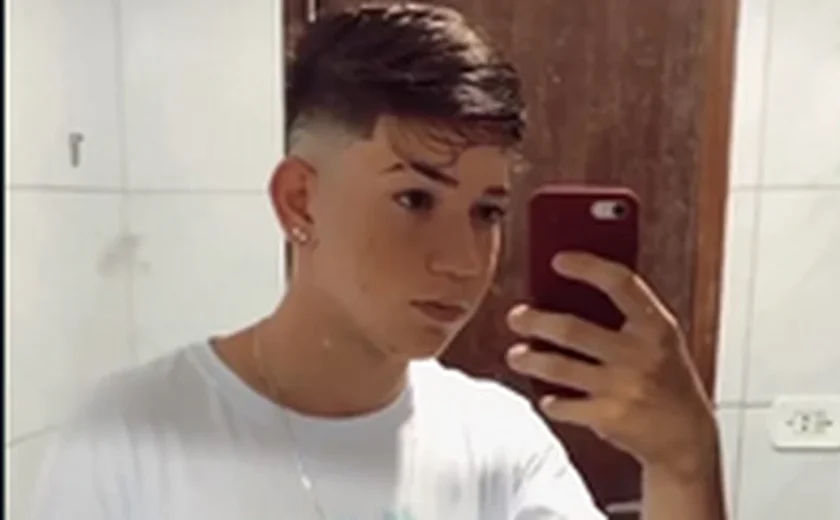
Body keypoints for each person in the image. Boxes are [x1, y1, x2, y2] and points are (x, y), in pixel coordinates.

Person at [34, 4, 725, 519]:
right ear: (301, 201)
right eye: (415, 199)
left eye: (487, 211)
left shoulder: (499, 445)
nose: (464, 263)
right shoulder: (129, 436)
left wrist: (685, 462)